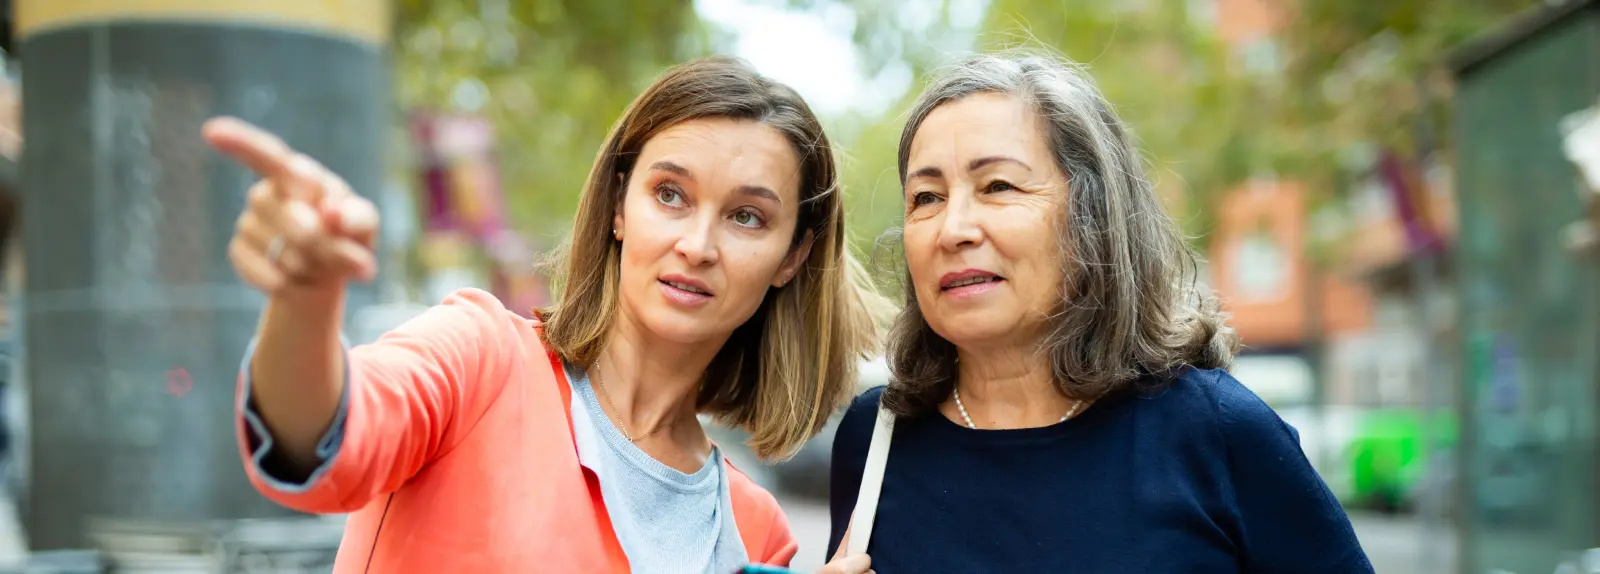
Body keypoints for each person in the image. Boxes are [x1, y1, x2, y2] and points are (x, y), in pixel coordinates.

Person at [207, 55, 882, 573]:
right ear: (620, 206)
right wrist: (304, 303)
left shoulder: (756, 529)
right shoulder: (480, 359)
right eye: (670, 194)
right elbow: (319, 437)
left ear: (792, 257)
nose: (697, 245)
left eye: (746, 216)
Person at [826, 51, 1374, 573]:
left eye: (997, 186)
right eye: (927, 197)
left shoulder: (1219, 433)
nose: (953, 229)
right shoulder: (874, 439)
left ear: (1093, 217)